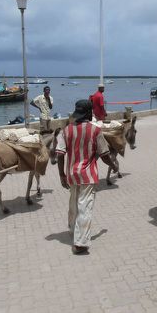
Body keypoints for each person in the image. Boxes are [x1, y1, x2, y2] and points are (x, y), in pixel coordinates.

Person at [55, 99, 118, 255]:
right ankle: (81, 243)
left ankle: (72, 230)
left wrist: (62, 175)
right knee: (85, 208)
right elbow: (104, 155)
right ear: (90, 113)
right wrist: (114, 165)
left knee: (73, 203)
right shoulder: (95, 131)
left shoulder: (67, 130)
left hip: (71, 174)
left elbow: (60, 154)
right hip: (88, 175)